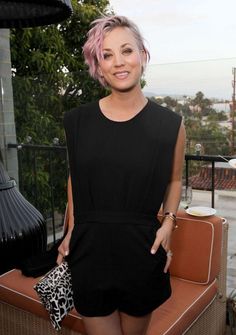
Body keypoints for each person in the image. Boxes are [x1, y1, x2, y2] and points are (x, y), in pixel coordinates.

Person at [57, 15, 186, 335]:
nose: (118, 62)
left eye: (126, 50)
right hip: (90, 254)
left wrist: (169, 223)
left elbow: (174, 179)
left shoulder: (170, 125)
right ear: (98, 67)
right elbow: (75, 178)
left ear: (143, 56)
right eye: (107, 55)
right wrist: (72, 230)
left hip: (141, 254)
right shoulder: (77, 121)